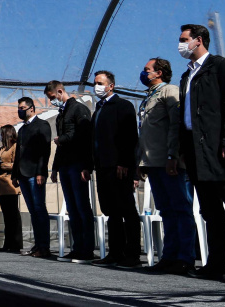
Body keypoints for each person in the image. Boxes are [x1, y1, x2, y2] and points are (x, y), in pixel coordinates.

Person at [177, 24, 225, 283]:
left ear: (199, 40)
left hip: (223, 152)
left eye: (184, 39)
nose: (180, 45)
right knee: (210, 212)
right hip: (197, 152)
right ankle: (216, 263)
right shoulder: (186, 75)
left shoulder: (221, 66)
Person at [137, 58, 195, 274]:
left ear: (159, 72)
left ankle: (185, 258)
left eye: (147, 70)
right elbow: (144, 132)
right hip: (152, 161)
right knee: (166, 210)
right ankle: (169, 256)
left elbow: (175, 124)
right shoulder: (149, 96)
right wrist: (140, 160)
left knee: (180, 208)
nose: (144, 73)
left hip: (168, 160)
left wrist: (173, 154)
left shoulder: (169, 91)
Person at [88, 70, 140, 268]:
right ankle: (115, 252)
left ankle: (132, 254)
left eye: (100, 83)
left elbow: (129, 137)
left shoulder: (122, 106)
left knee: (127, 208)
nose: (96, 87)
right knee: (111, 210)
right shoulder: (99, 110)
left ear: (111, 86)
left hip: (118, 166)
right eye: (95, 83)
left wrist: (124, 163)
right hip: (102, 166)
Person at [45, 80, 95, 262]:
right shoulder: (61, 113)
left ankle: (87, 249)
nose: (52, 101)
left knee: (82, 207)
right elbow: (60, 144)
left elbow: (85, 136)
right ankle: (77, 247)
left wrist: (86, 166)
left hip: (77, 164)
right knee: (72, 208)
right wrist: (55, 167)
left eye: (52, 97)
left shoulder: (78, 109)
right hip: (65, 165)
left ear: (60, 91)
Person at [11, 97, 52, 257]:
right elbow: (18, 154)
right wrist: (15, 174)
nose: (20, 111)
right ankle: (37, 245)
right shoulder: (21, 129)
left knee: (39, 208)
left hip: (35, 174)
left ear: (31, 109)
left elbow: (45, 150)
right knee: (33, 211)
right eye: (19, 108)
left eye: (22, 108)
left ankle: (44, 246)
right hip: (22, 174)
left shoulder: (42, 125)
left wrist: (41, 172)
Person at [0, 124, 22, 253]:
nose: (0, 136)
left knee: (13, 214)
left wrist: (0, 164)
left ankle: (16, 244)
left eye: (1, 133)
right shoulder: (2, 148)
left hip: (10, 184)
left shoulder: (15, 147)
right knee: (7, 216)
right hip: (1, 184)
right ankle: (7, 243)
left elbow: (16, 165)